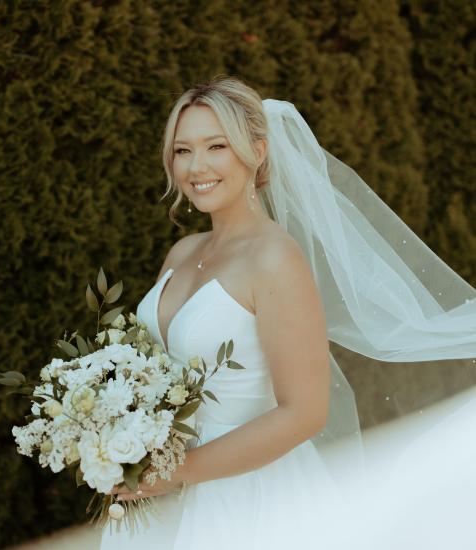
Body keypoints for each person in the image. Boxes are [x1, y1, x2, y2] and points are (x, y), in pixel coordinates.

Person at [99, 76, 476, 549]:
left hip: (247, 498)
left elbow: (305, 412)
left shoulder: (276, 259)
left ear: (257, 151)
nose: (196, 166)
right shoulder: (181, 253)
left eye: (216, 146)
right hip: (158, 494)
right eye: (182, 151)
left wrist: (178, 473)